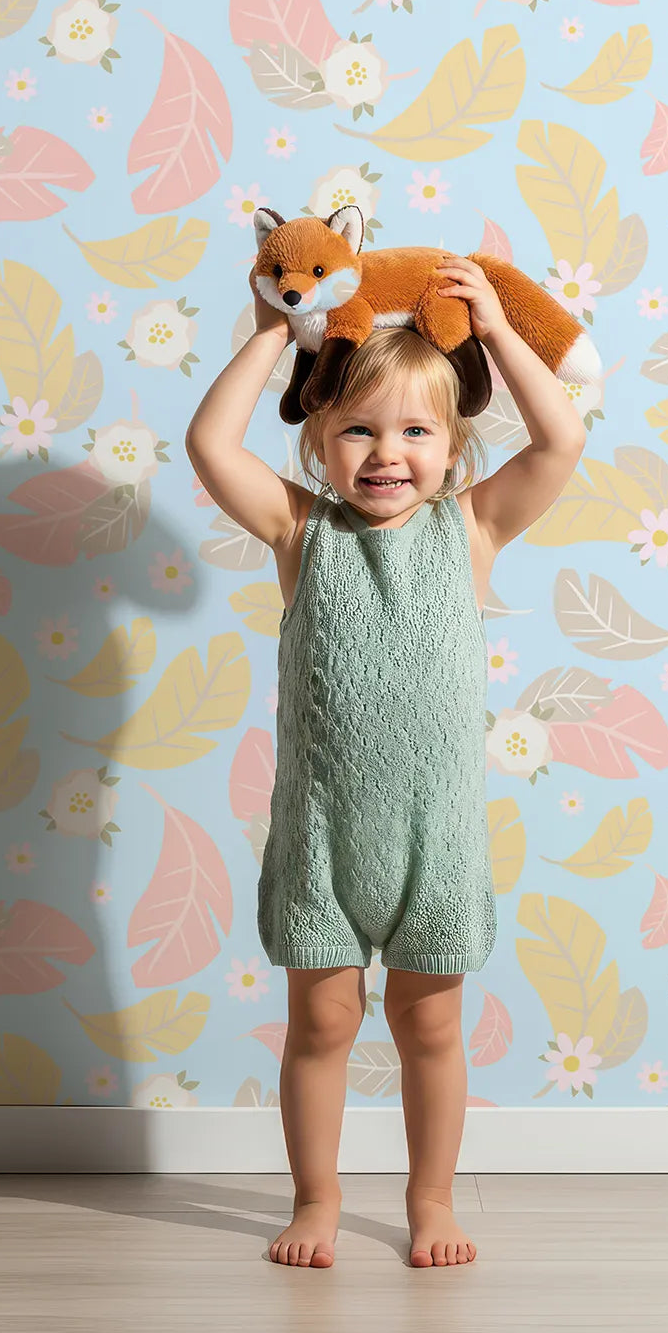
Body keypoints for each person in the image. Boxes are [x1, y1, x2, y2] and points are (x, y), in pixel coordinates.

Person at [184, 254, 588, 1269]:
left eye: (414, 431)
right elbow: (207, 441)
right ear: (319, 441)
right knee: (320, 1020)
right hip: (321, 836)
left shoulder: (472, 526)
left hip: (435, 839)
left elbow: (561, 435)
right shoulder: (296, 531)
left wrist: (495, 326)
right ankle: (315, 1199)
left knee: (428, 1022)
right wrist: (283, 329)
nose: (384, 452)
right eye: (357, 428)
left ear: (452, 448)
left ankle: (431, 1199)